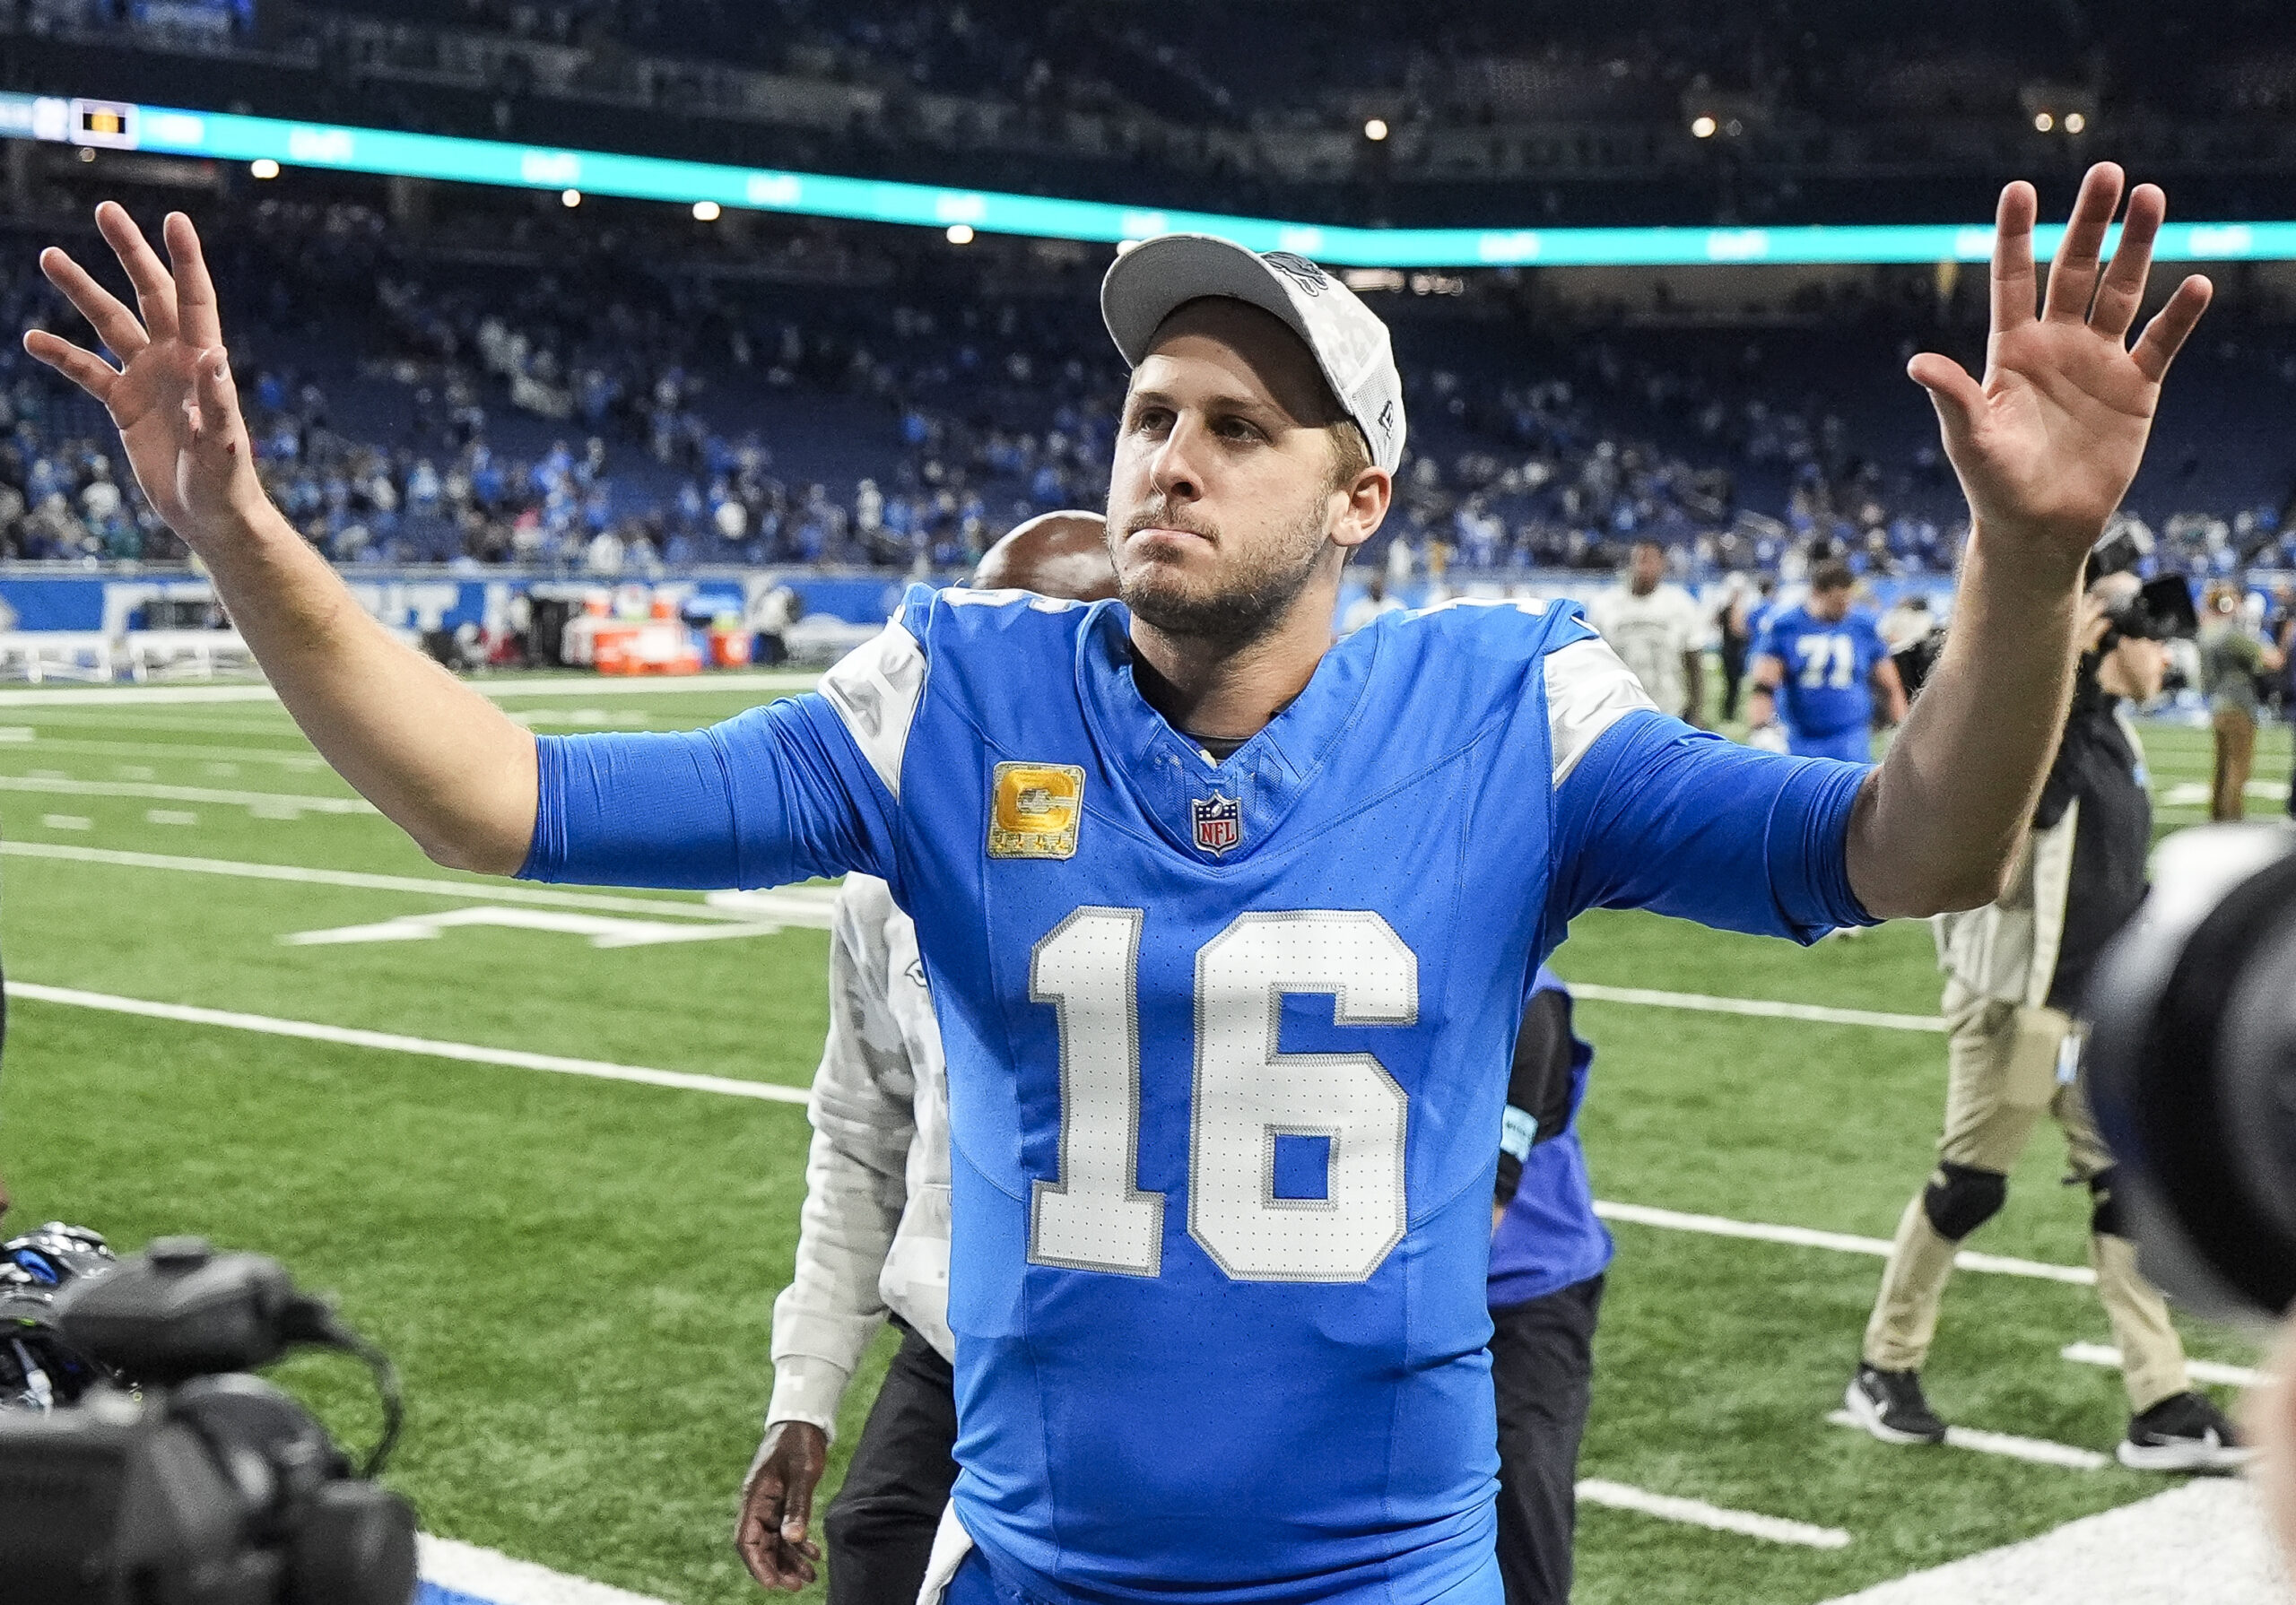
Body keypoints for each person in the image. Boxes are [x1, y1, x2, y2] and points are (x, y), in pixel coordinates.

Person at [31, 168, 2212, 1603]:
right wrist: (233, 523)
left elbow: (1897, 844)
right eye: (1146, 409)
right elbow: (499, 798)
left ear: (1355, 499)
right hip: (1033, 1567)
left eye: (1232, 425)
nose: (1161, 451)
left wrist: (2020, 558)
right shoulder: (948, 696)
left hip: (1391, 1577)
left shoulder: (1504, 707)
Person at [735, 512, 1119, 1602]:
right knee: (877, 1548)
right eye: (987, 630)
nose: (1004, 667)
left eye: (1049, 634)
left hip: (1136, 1364)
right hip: (957, 1341)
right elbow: (862, 1135)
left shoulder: (1220, 861)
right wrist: (804, 1390)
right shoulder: (888, 880)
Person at [1848, 571, 2248, 1471]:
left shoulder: (2112, 732)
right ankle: (1883, 1363)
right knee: (1970, 1185)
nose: (2165, 656)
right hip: (2031, 1022)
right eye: (2150, 638)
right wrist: (2062, 642)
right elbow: (2034, 813)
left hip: (2089, 1013)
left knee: (2125, 1190)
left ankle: (2161, 1402)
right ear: (2110, 643)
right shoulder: (2049, 734)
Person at [1488, 970, 1609, 1605]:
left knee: (1523, 1490)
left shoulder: (1528, 997)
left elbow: (1493, 1196)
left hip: (1526, 1288)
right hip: (1423, 1287)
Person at [1746, 560, 1909, 760]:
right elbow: (1763, 686)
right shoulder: (1785, 626)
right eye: (1837, 602)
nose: (1844, 608)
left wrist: (1900, 727)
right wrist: (1761, 728)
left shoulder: (1863, 626)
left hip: (1851, 737)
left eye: (1847, 600)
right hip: (1799, 737)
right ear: (1816, 593)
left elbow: (1890, 685)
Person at [1585, 539, 1707, 725]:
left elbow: (1694, 661)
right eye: (1639, 559)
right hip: (1619, 713)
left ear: (1662, 565)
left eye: (1650, 560)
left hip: (1669, 711)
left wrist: (1696, 712)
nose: (1644, 567)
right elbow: (1592, 663)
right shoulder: (1604, 606)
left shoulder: (1681, 605)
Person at [2198, 582, 2283, 821]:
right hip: (2239, 706)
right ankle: (2231, 822)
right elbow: (2273, 659)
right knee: (2238, 770)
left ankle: (2217, 819)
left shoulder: (2207, 632)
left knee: (2222, 770)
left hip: (2218, 705)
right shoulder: (2231, 634)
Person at [1339, 570, 1404, 635]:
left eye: (1379, 586)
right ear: (1369, 588)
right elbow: (1349, 630)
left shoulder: (1396, 606)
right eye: (1375, 587)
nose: (1377, 589)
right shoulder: (1359, 608)